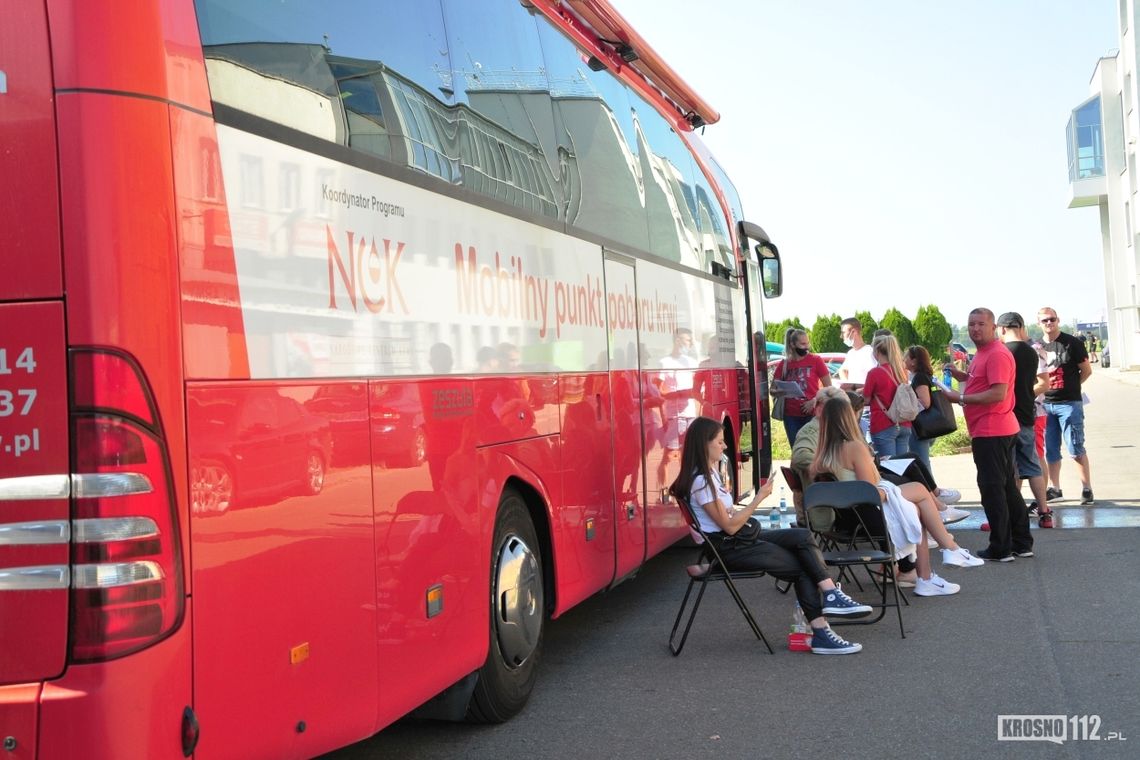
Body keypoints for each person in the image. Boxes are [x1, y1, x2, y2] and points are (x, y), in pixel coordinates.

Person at [671, 416, 873, 655]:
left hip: (735, 541)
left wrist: (735, 510)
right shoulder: (701, 481)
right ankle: (821, 631)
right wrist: (759, 497)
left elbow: (727, 520)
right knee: (802, 566)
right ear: (704, 444)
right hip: (729, 548)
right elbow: (730, 527)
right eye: (720, 442)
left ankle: (830, 594)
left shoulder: (707, 474)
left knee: (801, 536)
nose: (725, 447)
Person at [809, 397, 982, 595]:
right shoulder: (853, 448)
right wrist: (888, 487)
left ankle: (933, 570)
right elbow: (870, 491)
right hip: (868, 516)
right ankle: (946, 553)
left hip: (847, 520)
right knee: (918, 491)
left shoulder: (820, 456)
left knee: (917, 507)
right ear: (848, 418)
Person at [944, 308, 1033, 562]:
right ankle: (1020, 542)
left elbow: (998, 393)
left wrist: (959, 398)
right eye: (971, 324)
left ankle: (1001, 547)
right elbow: (985, 383)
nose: (975, 329)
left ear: (993, 327)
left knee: (992, 489)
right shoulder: (984, 353)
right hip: (993, 429)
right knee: (1005, 488)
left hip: (992, 430)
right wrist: (963, 376)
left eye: (981, 324)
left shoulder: (996, 353)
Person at [995, 313, 1051, 527]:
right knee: (1032, 465)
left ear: (1001, 329)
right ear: (1021, 326)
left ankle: (1010, 514)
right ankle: (1044, 512)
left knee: (1009, 470)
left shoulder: (1002, 352)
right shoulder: (1032, 351)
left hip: (1006, 416)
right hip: (1028, 414)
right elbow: (1042, 382)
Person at [1037, 307, 1094, 505]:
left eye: (1051, 319)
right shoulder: (1037, 346)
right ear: (1039, 324)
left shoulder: (1073, 343)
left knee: (1076, 447)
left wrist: (1073, 386)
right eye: (1044, 320)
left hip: (1069, 403)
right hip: (1046, 404)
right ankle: (1055, 488)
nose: (1048, 323)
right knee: (1050, 449)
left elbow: (1086, 371)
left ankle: (1086, 489)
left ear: (1058, 320)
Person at [769, 327, 832, 445]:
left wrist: (814, 401)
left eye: (808, 343)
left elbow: (829, 388)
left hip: (813, 414)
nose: (806, 347)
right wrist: (780, 391)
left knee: (813, 449)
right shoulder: (785, 364)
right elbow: (772, 389)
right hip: (791, 416)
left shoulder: (816, 360)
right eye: (802, 344)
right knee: (797, 448)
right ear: (793, 344)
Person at [861, 334, 913, 459]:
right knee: (901, 466)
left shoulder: (874, 373)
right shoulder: (902, 371)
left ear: (877, 351)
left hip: (883, 424)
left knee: (888, 466)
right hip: (904, 422)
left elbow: (866, 399)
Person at [838, 317, 876, 439]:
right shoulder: (851, 353)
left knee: (869, 444)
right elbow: (842, 370)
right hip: (853, 407)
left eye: (843, 332)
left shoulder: (869, 352)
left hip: (866, 408)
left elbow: (874, 380)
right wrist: (848, 385)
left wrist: (856, 388)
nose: (841, 336)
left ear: (853, 332)